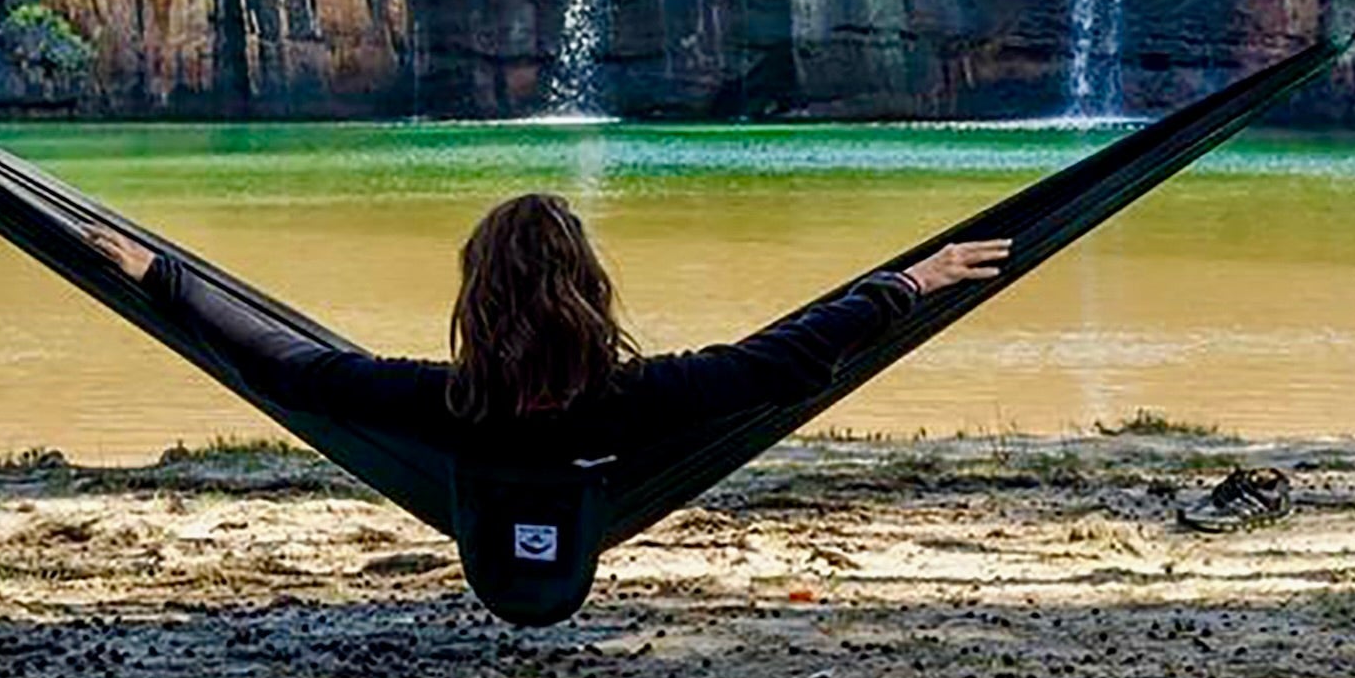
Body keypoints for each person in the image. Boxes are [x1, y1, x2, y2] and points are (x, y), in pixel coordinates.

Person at [85, 194, 1008, 449]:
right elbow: (786, 356)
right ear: (592, 293)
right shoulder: (643, 399)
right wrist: (908, 283)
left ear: (475, 300)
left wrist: (164, 278)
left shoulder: (438, 404)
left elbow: (280, 361)